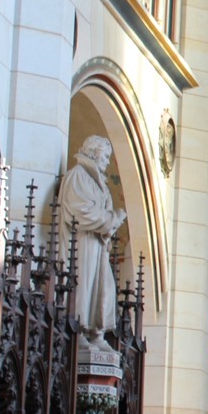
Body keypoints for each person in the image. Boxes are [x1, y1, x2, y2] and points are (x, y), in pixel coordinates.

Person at [58, 135, 126, 341]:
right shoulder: (78, 175)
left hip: (98, 246)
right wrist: (112, 218)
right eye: (105, 156)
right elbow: (80, 211)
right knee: (83, 284)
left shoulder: (99, 183)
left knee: (103, 287)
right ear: (93, 153)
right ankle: (77, 331)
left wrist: (112, 221)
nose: (107, 160)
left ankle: (96, 334)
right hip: (81, 244)